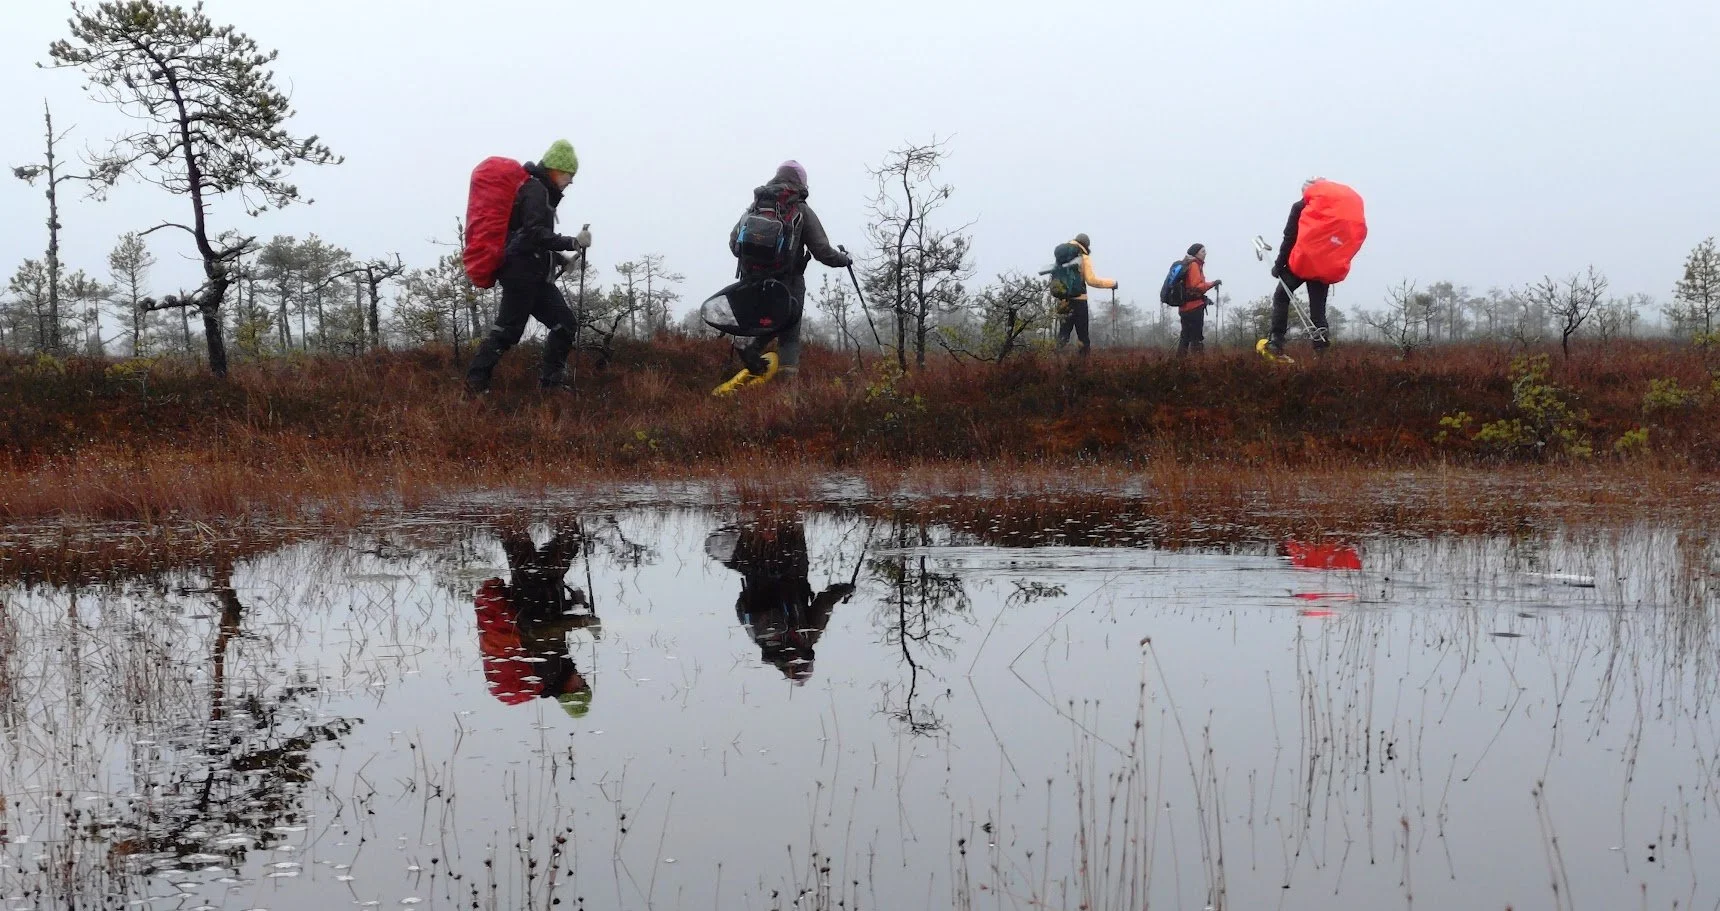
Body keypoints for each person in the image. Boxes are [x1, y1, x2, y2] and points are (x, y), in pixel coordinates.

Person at [465, 140, 592, 394]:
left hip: (534, 275)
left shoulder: (540, 191)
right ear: (556, 169)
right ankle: (474, 385)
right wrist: (572, 242)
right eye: (569, 175)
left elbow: (528, 237)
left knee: (564, 324)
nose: (570, 182)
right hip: (521, 275)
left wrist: (560, 259)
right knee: (508, 332)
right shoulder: (536, 190)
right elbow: (533, 234)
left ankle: (551, 385)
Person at [724, 161, 852, 385]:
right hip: (787, 281)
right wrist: (844, 259)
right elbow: (822, 251)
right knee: (789, 330)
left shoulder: (755, 206)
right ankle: (786, 390)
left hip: (752, 280)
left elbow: (734, 244)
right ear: (801, 182)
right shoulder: (800, 209)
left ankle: (751, 346)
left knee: (764, 319)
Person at [473, 521, 600, 717]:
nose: (582, 678)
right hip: (541, 587)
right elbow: (549, 625)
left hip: (532, 590)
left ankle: (509, 507)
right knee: (562, 539)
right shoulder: (556, 672)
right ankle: (548, 509)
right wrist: (571, 603)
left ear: (571, 690)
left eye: (581, 684)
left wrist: (582, 622)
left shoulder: (549, 673)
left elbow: (538, 631)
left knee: (518, 532)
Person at [705, 518, 853, 684]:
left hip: (792, 567)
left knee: (790, 517)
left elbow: (824, 602)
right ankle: (748, 524)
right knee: (759, 525)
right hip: (755, 572)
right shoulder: (763, 643)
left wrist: (845, 590)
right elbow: (741, 605)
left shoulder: (806, 640)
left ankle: (770, 513)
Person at [1267, 179, 1331, 358]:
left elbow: (1290, 237)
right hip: (1322, 265)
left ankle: (1277, 340)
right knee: (1318, 308)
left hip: (1300, 263)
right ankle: (1321, 349)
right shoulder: (1331, 211)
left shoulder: (1299, 207)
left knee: (1281, 296)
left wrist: (1279, 265)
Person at [1055, 233, 1117, 356]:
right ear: (1086, 245)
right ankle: (1084, 364)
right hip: (1079, 301)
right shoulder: (1083, 256)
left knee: (1063, 335)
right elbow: (1091, 280)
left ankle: (1054, 361)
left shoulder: (1061, 256)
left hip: (1063, 300)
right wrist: (1112, 283)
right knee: (1083, 336)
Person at [1176, 244, 1220, 355]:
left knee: (1185, 337)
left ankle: (1178, 362)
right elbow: (1196, 286)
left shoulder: (1188, 264)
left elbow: (1190, 288)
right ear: (1196, 253)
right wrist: (1212, 284)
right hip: (1194, 308)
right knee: (1196, 337)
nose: (1205, 253)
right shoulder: (1194, 265)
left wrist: (1204, 298)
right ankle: (1198, 362)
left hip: (1184, 308)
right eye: (1203, 251)